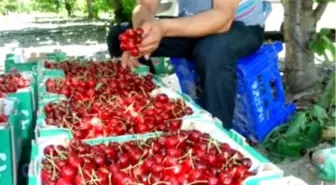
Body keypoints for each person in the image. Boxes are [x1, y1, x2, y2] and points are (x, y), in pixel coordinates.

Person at [107, 0, 270, 128]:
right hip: (192, 23)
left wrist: (162, 28)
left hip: (238, 25)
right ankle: (149, 107)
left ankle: (217, 135)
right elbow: (145, 5)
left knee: (212, 51)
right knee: (119, 37)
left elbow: (223, 17)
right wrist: (140, 35)